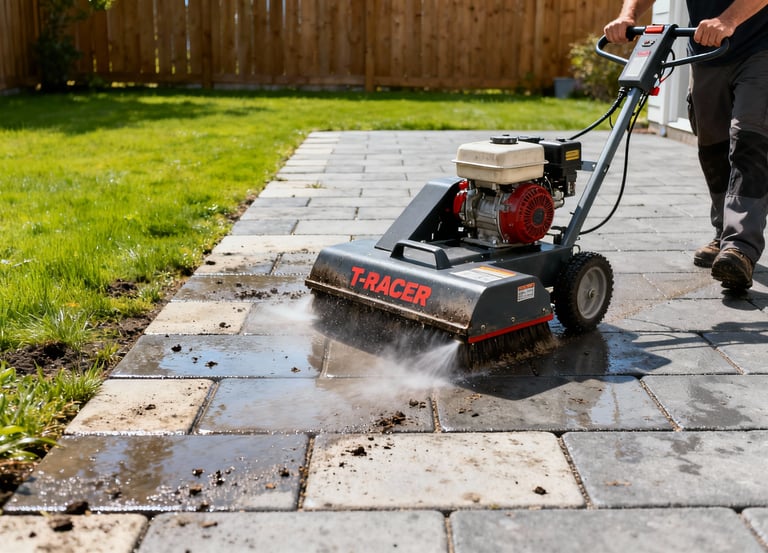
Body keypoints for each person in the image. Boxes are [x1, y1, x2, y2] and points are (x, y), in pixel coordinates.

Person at [605, 0, 768, 290]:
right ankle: (724, 234)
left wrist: (728, 20)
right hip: (706, 53)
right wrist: (627, 16)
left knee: (749, 140)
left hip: (760, 48)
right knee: (712, 146)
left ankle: (740, 247)